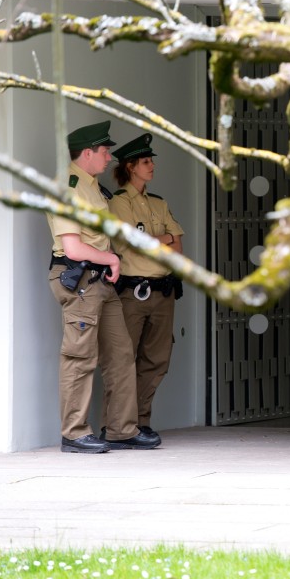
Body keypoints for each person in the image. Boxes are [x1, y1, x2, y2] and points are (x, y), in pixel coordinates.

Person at [47, 120, 161, 453]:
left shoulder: (92, 186)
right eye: (105, 150)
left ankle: (121, 429)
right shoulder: (67, 188)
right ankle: (74, 432)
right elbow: (72, 248)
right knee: (80, 356)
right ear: (87, 152)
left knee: (122, 355)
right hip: (80, 279)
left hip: (99, 282)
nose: (110, 157)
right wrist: (111, 260)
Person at [106, 132, 184, 441]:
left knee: (157, 360)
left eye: (151, 161)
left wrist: (161, 241)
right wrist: (163, 238)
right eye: (145, 162)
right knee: (123, 360)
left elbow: (178, 249)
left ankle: (139, 422)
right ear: (130, 167)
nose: (152, 166)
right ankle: (116, 425)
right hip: (133, 292)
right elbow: (136, 246)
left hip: (162, 290)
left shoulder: (158, 202)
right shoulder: (118, 203)